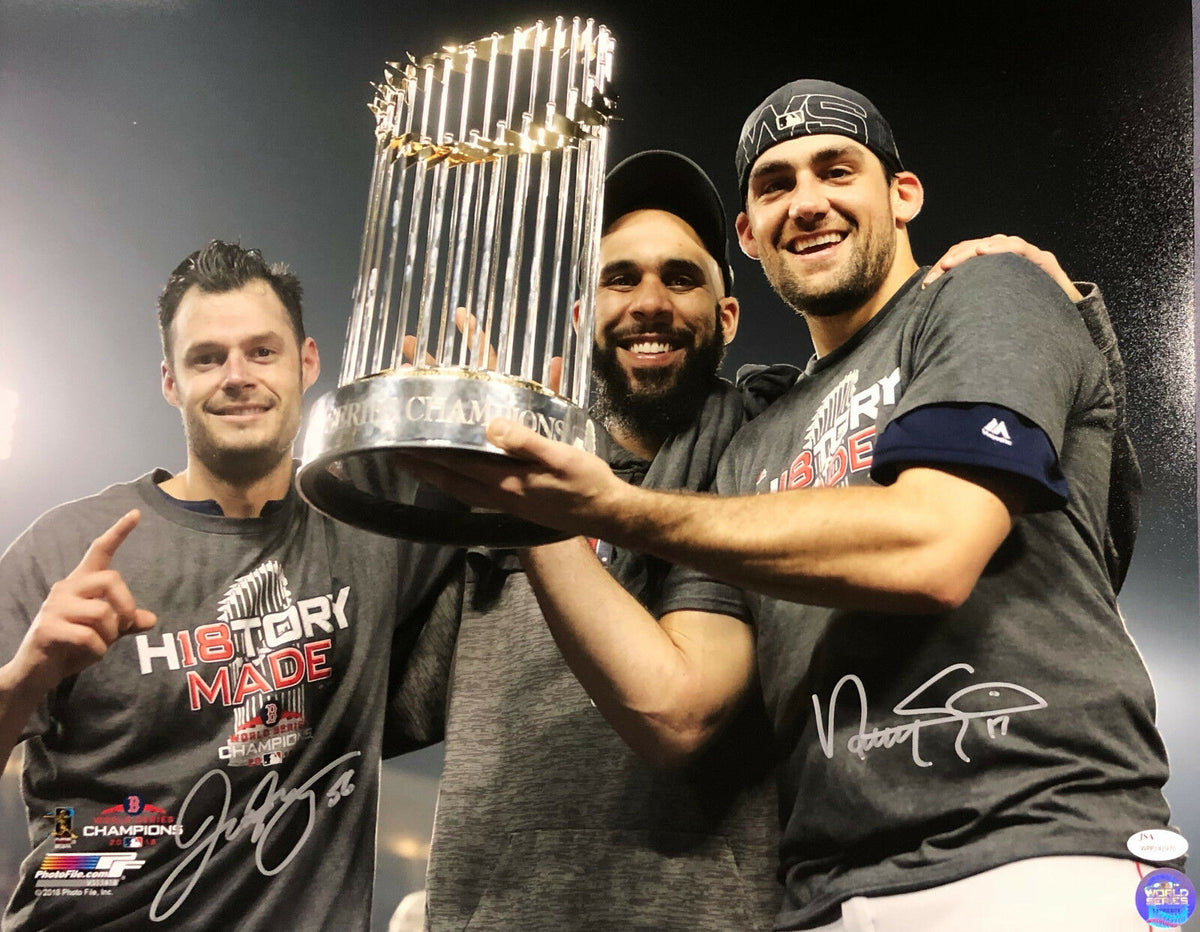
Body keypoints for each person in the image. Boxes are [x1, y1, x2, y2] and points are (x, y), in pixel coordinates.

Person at [399, 81, 1175, 932]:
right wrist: (535, 514)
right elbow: (678, 700)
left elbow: (936, 548)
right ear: (752, 234)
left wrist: (611, 508)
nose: (806, 203)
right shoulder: (754, 447)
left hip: (1035, 852)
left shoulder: (985, 293)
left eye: (835, 170)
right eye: (774, 185)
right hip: (828, 896)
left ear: (902, 195)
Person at [0, 242, 455, 930]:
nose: (237, 376)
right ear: (170, 382)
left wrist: (461, 414)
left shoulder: (369, 513)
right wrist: (27, 677)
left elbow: (536, 507)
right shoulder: (64, 548)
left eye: (261, 352)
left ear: (308, 363)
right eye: (207, 358)